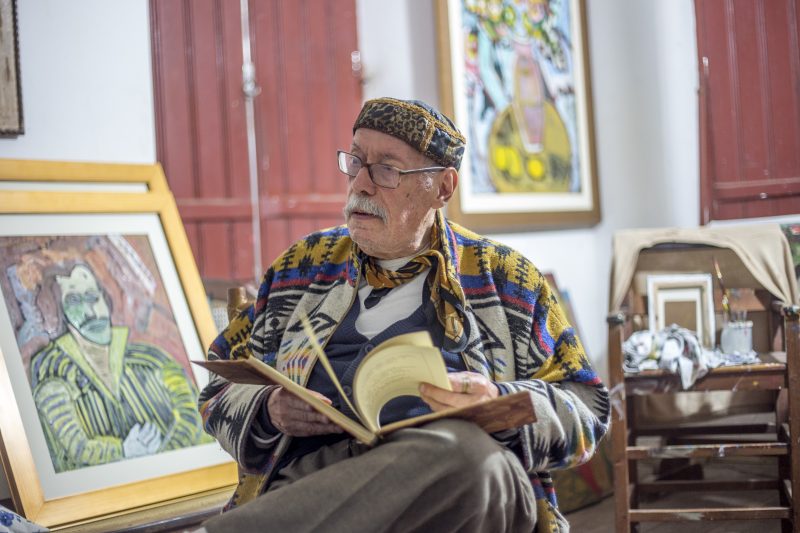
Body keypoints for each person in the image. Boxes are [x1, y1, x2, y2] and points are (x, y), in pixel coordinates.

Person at [198, 97, 609, 532]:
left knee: (475, 460)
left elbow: (589, 409)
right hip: (317, 485)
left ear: (443, 188)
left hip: (460, 488)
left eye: (386, 170)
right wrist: (268, 410)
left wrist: (499, 403)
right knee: (474, 462)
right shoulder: (301, 267)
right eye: (355, 162)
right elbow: (219, 389)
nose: (360, 184)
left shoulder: (505, 278)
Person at [30, 263, 208, 472]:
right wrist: (123, 451)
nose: (90, 312)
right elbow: (75, 449)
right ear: (60, 313)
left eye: (92, 297)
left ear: (105, 300)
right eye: (74, 301)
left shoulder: (151, 359)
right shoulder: (53, 376)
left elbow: (193, 414)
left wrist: (161, 459)